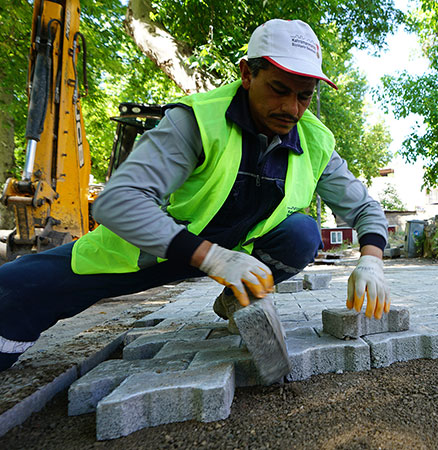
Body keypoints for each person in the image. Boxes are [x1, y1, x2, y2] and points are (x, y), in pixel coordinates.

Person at [0, 19, 390, 371]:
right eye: (279, 90)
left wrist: (371, 261)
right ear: (247, 74)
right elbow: (118, 201)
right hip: (155, 251)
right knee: (13, 292)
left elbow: (364, 208)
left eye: (304, 96)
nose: (291, 109)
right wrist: (211, 257)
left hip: (239, 256)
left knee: (302, 233)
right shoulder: (197, 120)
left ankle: (238, 296)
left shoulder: (315, 140)